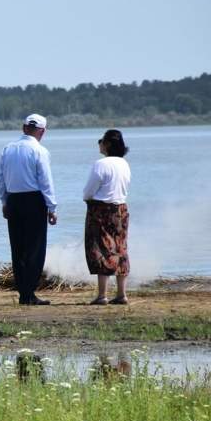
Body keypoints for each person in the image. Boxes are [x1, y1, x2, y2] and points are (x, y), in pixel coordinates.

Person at [0, 113, 58, 305]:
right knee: (35, 248)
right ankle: (29, 293)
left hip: (14, 200)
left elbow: (0, 179)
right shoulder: (39, 151)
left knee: (18, 248)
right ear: (42, 131)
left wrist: (5, 201)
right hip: (34, 200)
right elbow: (45, 182)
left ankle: (24, 293)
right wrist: (52, 207)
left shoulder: (8, 149)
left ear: (24, 128)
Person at [83, 129, 132, 305]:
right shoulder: (124, 164)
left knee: (100, 248)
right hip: (121, 209)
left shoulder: (101, 164)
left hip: (101, 210)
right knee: (120, 248)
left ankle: (102, 295)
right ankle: (121, 294)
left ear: (108, 144)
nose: (100, 143)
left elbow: (88, 191)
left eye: (101, 141)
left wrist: (87, 199)